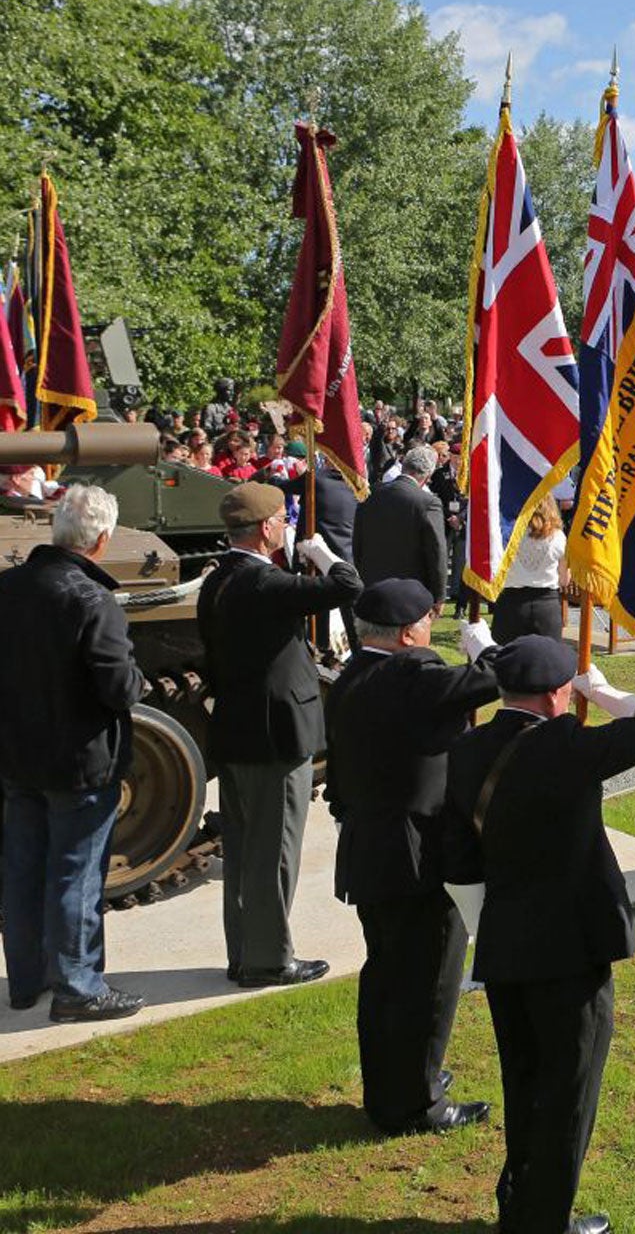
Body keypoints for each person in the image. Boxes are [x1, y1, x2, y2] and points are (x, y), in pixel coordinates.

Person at [443, 636, 635, 1234]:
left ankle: (519, 1207)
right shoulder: (567, 744)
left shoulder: (467, 749)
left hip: (505, 942)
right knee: (569, 1093)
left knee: (523, 1082)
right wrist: (600, 690)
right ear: (558, 694)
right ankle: (543, 1222)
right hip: (571, 950)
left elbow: (459, 860)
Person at [324, 578, 496, 1135]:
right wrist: (484, 644)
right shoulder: (411, 674)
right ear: (407, 632)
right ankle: (417, 1101)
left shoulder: (353, 673)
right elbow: (493, 679)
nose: (430, 626)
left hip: (370, 847)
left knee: (386, 980)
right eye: (427, 619)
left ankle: (391, 1086)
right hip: (415, 854)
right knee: (429, 981)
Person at [199, 481, 361, 988]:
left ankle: (245, 952)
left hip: (237, 727)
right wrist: (324, 553)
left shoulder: (218, 579)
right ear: (267, 528)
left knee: (245, 848)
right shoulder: (264, 584)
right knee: (275, 851)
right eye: (282, 522)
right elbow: (349, 587)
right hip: (275, 733)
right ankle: (269, 961)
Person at [0, 485, 146, 1022]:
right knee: (75, 874)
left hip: (18, 753)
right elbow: (118, 687)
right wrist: (138, 680)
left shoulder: (8, 587)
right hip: (79, 759)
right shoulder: (91, 599)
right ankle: (79, 988)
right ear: (102, 540)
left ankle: (27, 980)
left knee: (22, 868)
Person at [355, 445, 450, 608]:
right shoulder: (428, 502)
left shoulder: (371, 495)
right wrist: (439, 596)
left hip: (372, 587)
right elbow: (437, 551)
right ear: (428, 475)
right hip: (412, 593)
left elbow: (357, 543)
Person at [490, 497, 568, 642]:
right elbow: (564, 580)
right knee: (545, 661)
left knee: (506, 660)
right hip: (546, 606)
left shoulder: (507, 534)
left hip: (511, 605)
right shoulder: (558, 536)